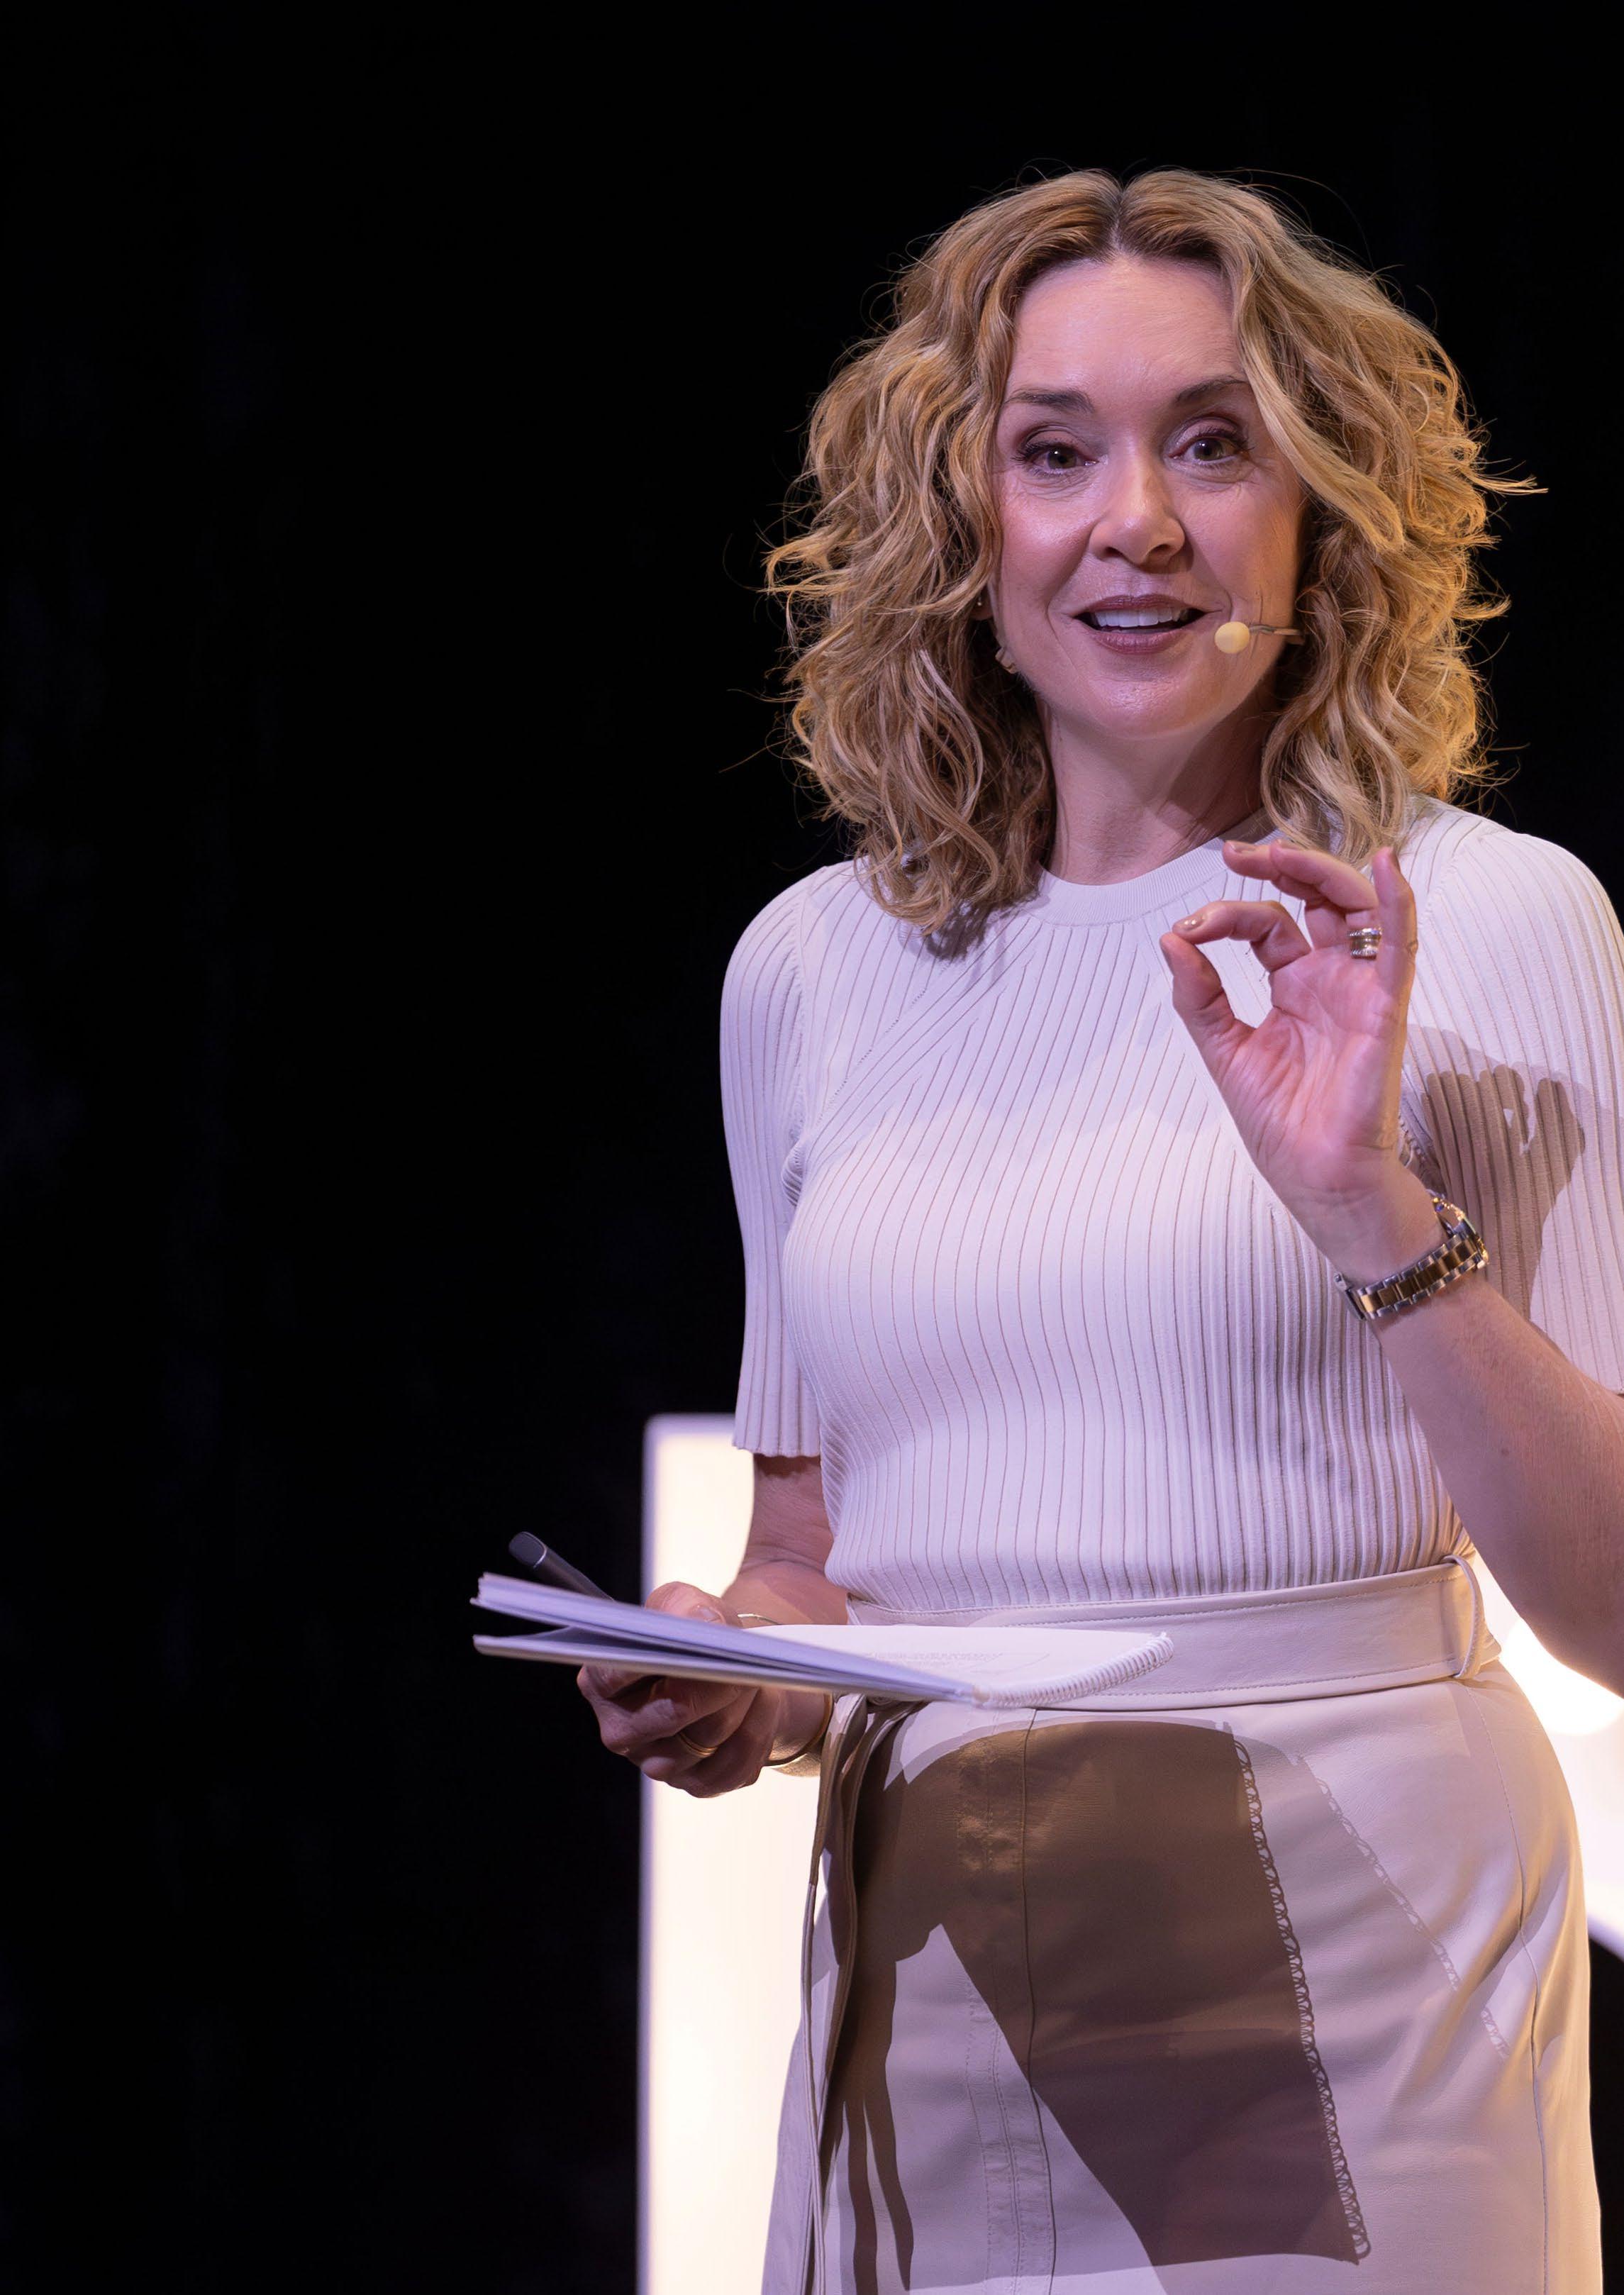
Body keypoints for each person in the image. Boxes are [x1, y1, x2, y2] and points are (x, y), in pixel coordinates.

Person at [579, 167, 1624, 2292]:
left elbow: (1615, 1607)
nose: (1133, 520)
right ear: (961, 529)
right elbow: (820, 1558)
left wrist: (1362, 1199)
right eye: (1053, 452)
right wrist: (737, 1676)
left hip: (1359, 1950)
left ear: (1320, 514)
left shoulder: (1489, 920)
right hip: (930, 1956)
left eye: (1213, 442)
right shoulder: (812, 967)